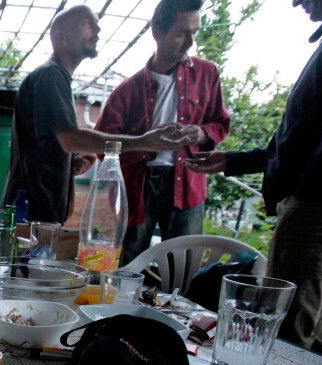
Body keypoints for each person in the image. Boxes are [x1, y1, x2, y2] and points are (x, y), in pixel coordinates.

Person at [183, 0, 322, 365]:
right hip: (315, 198)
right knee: (310, 327)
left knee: (293, 326)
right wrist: (240, 162)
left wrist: (306, 190)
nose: (295, 2)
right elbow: (296, 136)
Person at [2, 5, 189, 225]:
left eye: (97, 24)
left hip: (36, 213)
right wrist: (143, 142)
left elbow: (52, 144)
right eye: (87, 23)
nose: (98, 30)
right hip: (30, 215)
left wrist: (71, 161)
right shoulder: (50, 76)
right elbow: (70, 139)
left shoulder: (54, 78)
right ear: (59, 37)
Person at [94, 0, 231, 266]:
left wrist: (200, 134)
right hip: (138, 186)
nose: (190, 41)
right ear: (157, 32)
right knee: (126, 263)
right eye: (182, 33)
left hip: (188, 184)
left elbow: (220, 123)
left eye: (195, 32)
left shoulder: (208, 73)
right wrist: (145, 144)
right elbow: (103, 147)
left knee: (184, 265)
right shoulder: (128, 90)